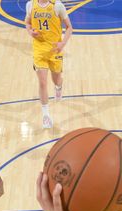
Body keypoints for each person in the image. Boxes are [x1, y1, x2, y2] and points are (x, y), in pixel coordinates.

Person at [24, 0, 73, 129]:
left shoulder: (57, 6)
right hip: (39, 50)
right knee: (43, 82)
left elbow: (69, 27)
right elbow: (27, 23)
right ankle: (45, 115)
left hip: (55, 49)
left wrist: (62, 44)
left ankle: (59, 86)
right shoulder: (30, 5)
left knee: (56, 79)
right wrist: (30, 32)